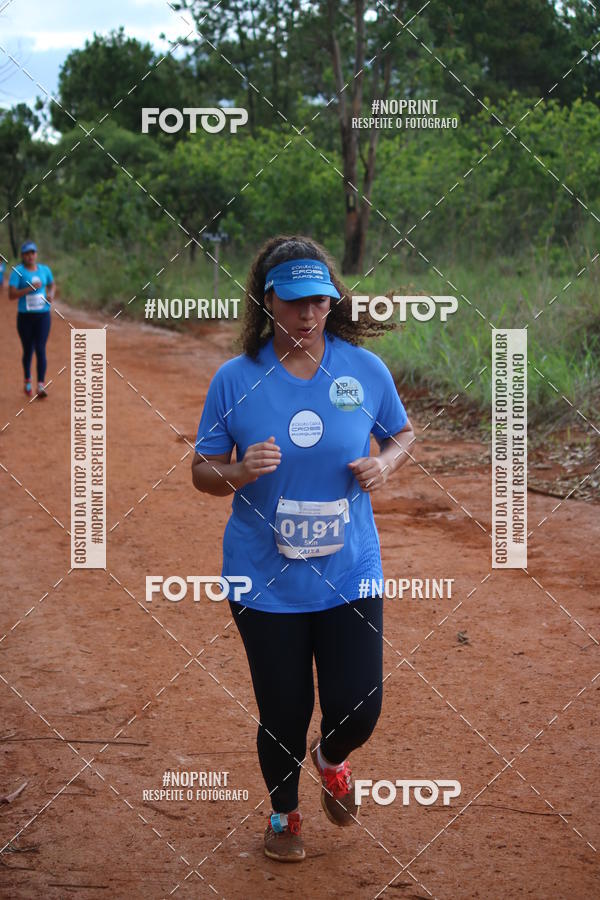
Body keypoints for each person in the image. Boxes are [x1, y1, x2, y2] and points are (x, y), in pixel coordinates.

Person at [192, 235, 414, 862]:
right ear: (268, 304)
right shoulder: (235, 379)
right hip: (264, 575)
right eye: (295, 303)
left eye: (320, 301)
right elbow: (202, 469)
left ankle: (333, 758)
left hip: (350, 568)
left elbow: (401, 432)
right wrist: (239, 471)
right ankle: (284, 815)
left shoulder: (362, 371)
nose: (309, 315)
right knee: (283, 710)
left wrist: (386, 466)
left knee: (361, 705)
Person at [8, 241, 55, 398]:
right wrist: (29, 289)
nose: (30, 256)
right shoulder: (18, 272)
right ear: (22, 256)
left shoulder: (45, 269)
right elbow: (11, 295)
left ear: (36, 254)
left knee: (41, 348)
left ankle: (41, 385)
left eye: (33, 253)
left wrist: (51, 294)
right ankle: (27, 379)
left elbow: (52, 284)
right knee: (28, 350)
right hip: (25, 317)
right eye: (27, 253)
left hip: (43, 315)